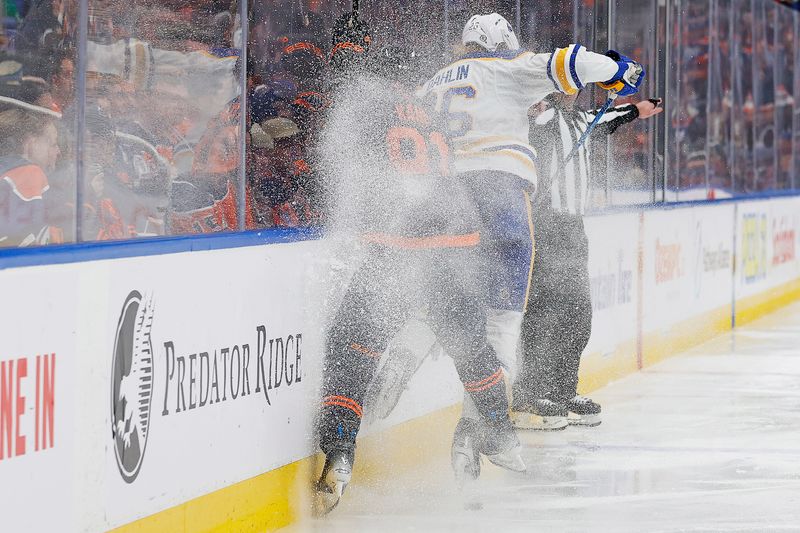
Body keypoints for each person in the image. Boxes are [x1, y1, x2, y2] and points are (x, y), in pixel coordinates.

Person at [314, 13, 524, 516]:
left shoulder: (360, 105)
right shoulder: (423, 107)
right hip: (458, 243)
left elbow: (353, 176)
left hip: (401, 247)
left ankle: (340, 453)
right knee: (469, 343)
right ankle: (499, 433)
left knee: (353, 345)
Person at [416, 13, 644, 467]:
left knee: (441, 305)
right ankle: (479, 430)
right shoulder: (507, 70)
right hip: (499, 200)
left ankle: (402, 361)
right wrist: (622, 71)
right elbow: (575, 60)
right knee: (500, 323)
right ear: (501, 41)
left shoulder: (435, 81)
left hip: (444, 204)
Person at [511, 93, 663, 430]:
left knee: (578, 313)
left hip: (573, 227)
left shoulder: (582, 119)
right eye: (569, 82)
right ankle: (528, 395)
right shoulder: (541, 117)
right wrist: (537, 104)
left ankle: (563, 391)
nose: (575, 89)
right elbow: (530, 120)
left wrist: (638, 109)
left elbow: (608, 119)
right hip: (545, 223)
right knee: (543, 310)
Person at [0, 98, 63, 246]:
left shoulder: (7, 172)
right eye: (52, 144)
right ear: (31, 143)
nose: (57, 151)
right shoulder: (30, 174)